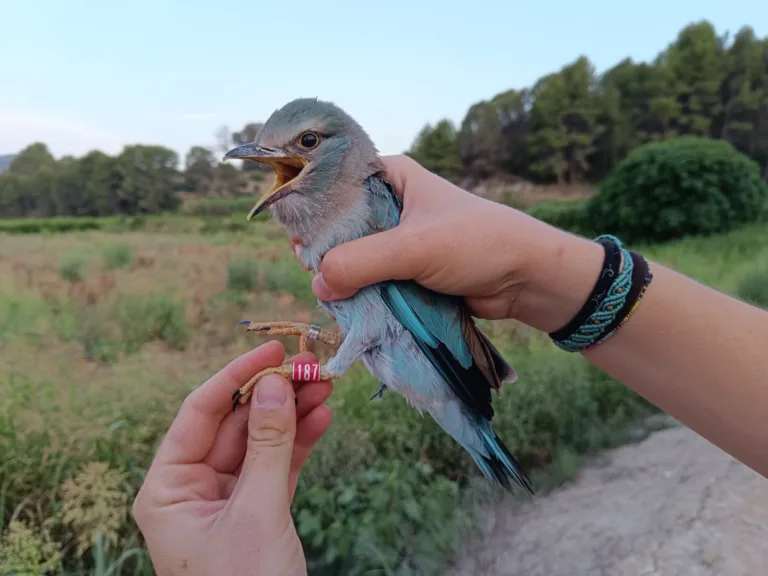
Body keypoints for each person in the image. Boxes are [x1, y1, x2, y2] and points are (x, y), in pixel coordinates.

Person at [133, 155, 768, 574]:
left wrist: (313, 365)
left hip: (427, 359)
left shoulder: (368, 201)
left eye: (303, 143)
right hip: (401, 350)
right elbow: (369, 317)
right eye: (271, 151)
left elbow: (395, 313)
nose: (274, 158)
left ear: (343, 153)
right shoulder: (323, 214)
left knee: (311, 357)